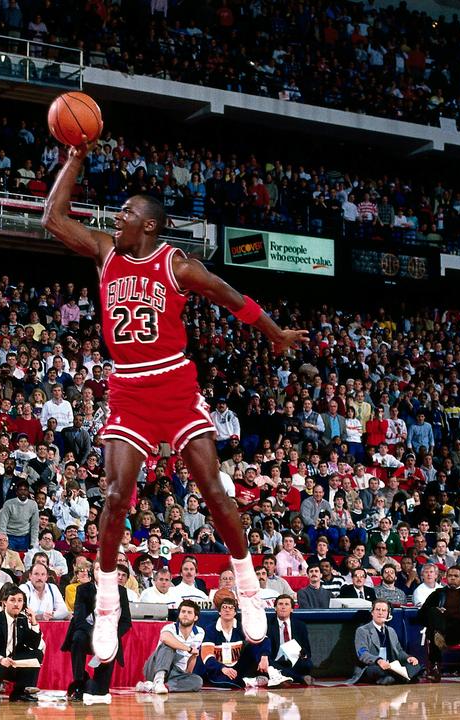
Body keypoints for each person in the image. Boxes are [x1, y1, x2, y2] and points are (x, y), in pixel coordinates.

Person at [44, 151, 307, 660]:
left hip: (174, 386)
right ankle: (104, 600)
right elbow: (53, 218)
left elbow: (230, 295)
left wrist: (274, 333)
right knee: (118, 494)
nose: (114, 218)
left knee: (212, 487)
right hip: (128, 389)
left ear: (147, 224)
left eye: (124, 213)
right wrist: (74, 156)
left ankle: (248, 584)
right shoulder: (105, 253)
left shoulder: (177, 265)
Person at [63, 570, 131, 703]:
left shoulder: (120, 591)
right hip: (87, 634)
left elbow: (126, 621)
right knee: (78, 637)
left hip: (109, 638)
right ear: (92, 572)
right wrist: (98, 634)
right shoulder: (83, 589)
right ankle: (79, 682)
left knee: (100, 691)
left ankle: (88, 683)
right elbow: (79, 619)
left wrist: (111, 635)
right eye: (98, 569)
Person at [0, 584, 45, 703]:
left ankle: (20, 692)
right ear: (4, 602)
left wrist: (34, 623)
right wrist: (1, 659)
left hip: (11, 660)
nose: (16, 604)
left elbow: (33, 645)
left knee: (37, 654)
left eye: (20, 600)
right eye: (12, 600)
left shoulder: (23, 619)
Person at [415, 566, 460, 680]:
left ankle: (438, 641)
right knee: (433, 613)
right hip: (443, 631)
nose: (452, 578)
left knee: (435, 631)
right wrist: (437, 613)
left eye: (456, 576)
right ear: (445, 578)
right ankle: (435, 667)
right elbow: (421, 615)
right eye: (450, 576)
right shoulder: (438, 593)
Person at [135, 597, 204, 694]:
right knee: (168, 646)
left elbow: (192, 658)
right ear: (179, 614)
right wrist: (188, 649)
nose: (185, 615)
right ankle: (158, 680)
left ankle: (158, 687)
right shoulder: (170, 627)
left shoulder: (200, 632)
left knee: (197, 681)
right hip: (156, 667)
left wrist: (187, 675)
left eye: (189, 612)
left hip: (176, 673)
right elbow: (165, 638)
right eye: (183, 612)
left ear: (195, 617)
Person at [349, 600, 423, 685]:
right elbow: (362, 653)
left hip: (391, 666)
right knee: (377, 670)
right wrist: (378, 661)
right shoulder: (362, 630)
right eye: (377, 609)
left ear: (388, 614)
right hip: (373, 666)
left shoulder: (391, 631)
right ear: (372, 612)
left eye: (384, 610)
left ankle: (394, 678)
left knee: (415, 666)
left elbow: (399, 651)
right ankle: (404, 678)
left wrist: (408, 658)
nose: (380, 613)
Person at [195, 595, 258, 689]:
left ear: (235, 612)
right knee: (229, 682)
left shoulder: (243, 627)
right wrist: (222, 668)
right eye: (224, 607)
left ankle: (267, 673)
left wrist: (264, 655)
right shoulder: (210, 630)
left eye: (231, 608)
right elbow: (206, 656)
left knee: (257, 644)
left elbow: (263, 639)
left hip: (238, 668)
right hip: (219, 670)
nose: (227, 610)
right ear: (219, 612)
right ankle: (249, 681)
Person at [256, 594, 313, 687]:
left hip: (294, 661)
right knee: (266, 663)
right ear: (275, 608)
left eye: (287, 604)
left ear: (292, 609)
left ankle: (282, 677)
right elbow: (262, 648)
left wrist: (303, 654)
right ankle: (300, 678)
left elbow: (307, 650)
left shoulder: (300, 625)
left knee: (308, 664)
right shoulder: (267, 625)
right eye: (280, 604)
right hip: (275, 660)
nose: (283, 607)